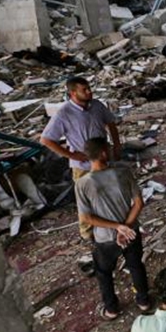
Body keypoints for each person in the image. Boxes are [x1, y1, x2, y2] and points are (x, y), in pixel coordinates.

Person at [75, 137, 153, 320]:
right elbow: (139, 203)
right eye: (108, 148)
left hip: (105, 238)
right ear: (103, 153)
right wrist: (124, 227)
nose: (110, 150)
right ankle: (143, 301)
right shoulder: (123, 172)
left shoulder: (82, 183)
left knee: (104, 273)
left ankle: (111, 309)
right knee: (135, 265)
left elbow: (86, 217)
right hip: (131, 232)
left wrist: (116, 228)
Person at [41, 76, 121, 240]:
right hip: (83, 165)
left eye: (89, 88)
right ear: (72, 93)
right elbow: (46, 140)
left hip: (104, 160)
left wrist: (117, 144)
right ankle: (87, 233)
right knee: (86, 200)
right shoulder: (64, 113)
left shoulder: (97, 105)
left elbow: (110, 123)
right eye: (84, 90)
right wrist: (71, 155)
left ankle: (112, 225)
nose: (89, 92)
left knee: (108, 193)